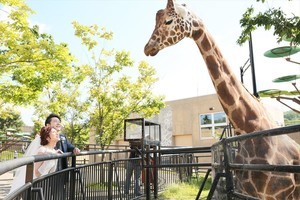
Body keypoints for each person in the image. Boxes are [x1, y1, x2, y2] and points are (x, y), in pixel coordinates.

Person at [9, 126, 62, 194]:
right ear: (47, 138)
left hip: (44, 184)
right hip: (35, 185)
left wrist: (55, 156)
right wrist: (49, 159)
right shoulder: (42, 150)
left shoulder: (54, 151)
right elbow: (37, 173)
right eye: (54, 132)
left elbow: (51, 171)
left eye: (56, 132)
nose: (57, 133)